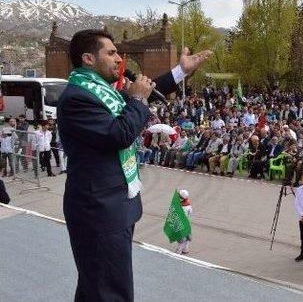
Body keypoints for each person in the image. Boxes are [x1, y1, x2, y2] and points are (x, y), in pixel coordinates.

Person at [58, 29, 210, 301]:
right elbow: (119, 133)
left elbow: (144, 93)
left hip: (113, 208)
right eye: (111, 52)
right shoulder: (78, 98)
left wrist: (180, 71)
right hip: (99, 212)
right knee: (110, 291)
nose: (119, 59)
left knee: (97, 287)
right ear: (89, 59)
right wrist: (138, 99)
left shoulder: (102, 91)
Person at [175, 189, 193, 255]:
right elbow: (190, 214)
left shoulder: (179, 206)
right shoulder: (189, 206)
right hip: (187, 223)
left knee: (180, 239)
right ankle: (185, 249)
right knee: (187, 237)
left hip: (180, 223)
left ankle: (178, 251)